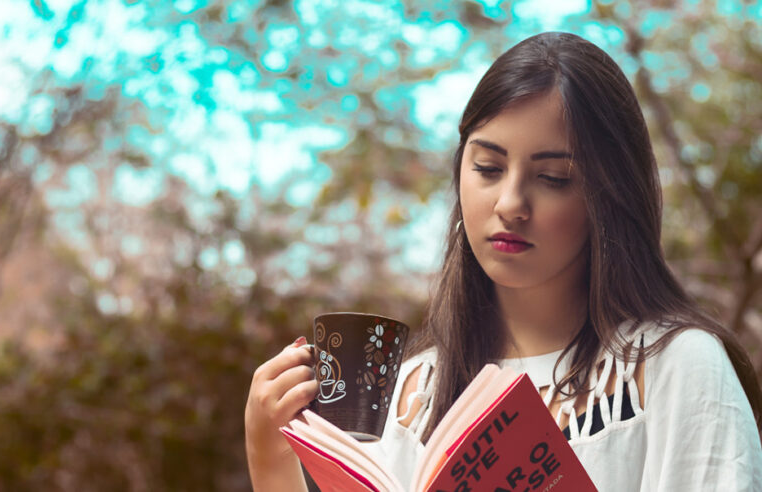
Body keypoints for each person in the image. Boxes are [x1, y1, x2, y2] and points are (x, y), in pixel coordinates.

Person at [244, 32, 762, 491]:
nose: (510, 203)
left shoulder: (674, 368)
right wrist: (271, 460)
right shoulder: (410, 394)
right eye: (488, 168)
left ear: (609, 193)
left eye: (554, 178)